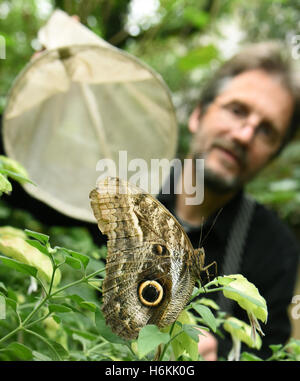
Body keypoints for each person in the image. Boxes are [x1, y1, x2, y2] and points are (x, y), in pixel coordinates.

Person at [157, 41, 300, 360]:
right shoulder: (123, 189)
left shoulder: (276, 251)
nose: (244, 135)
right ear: (198, 115)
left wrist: (222, 352)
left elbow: (270, 349)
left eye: (266, 131)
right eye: (237, 110)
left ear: (271, 158)